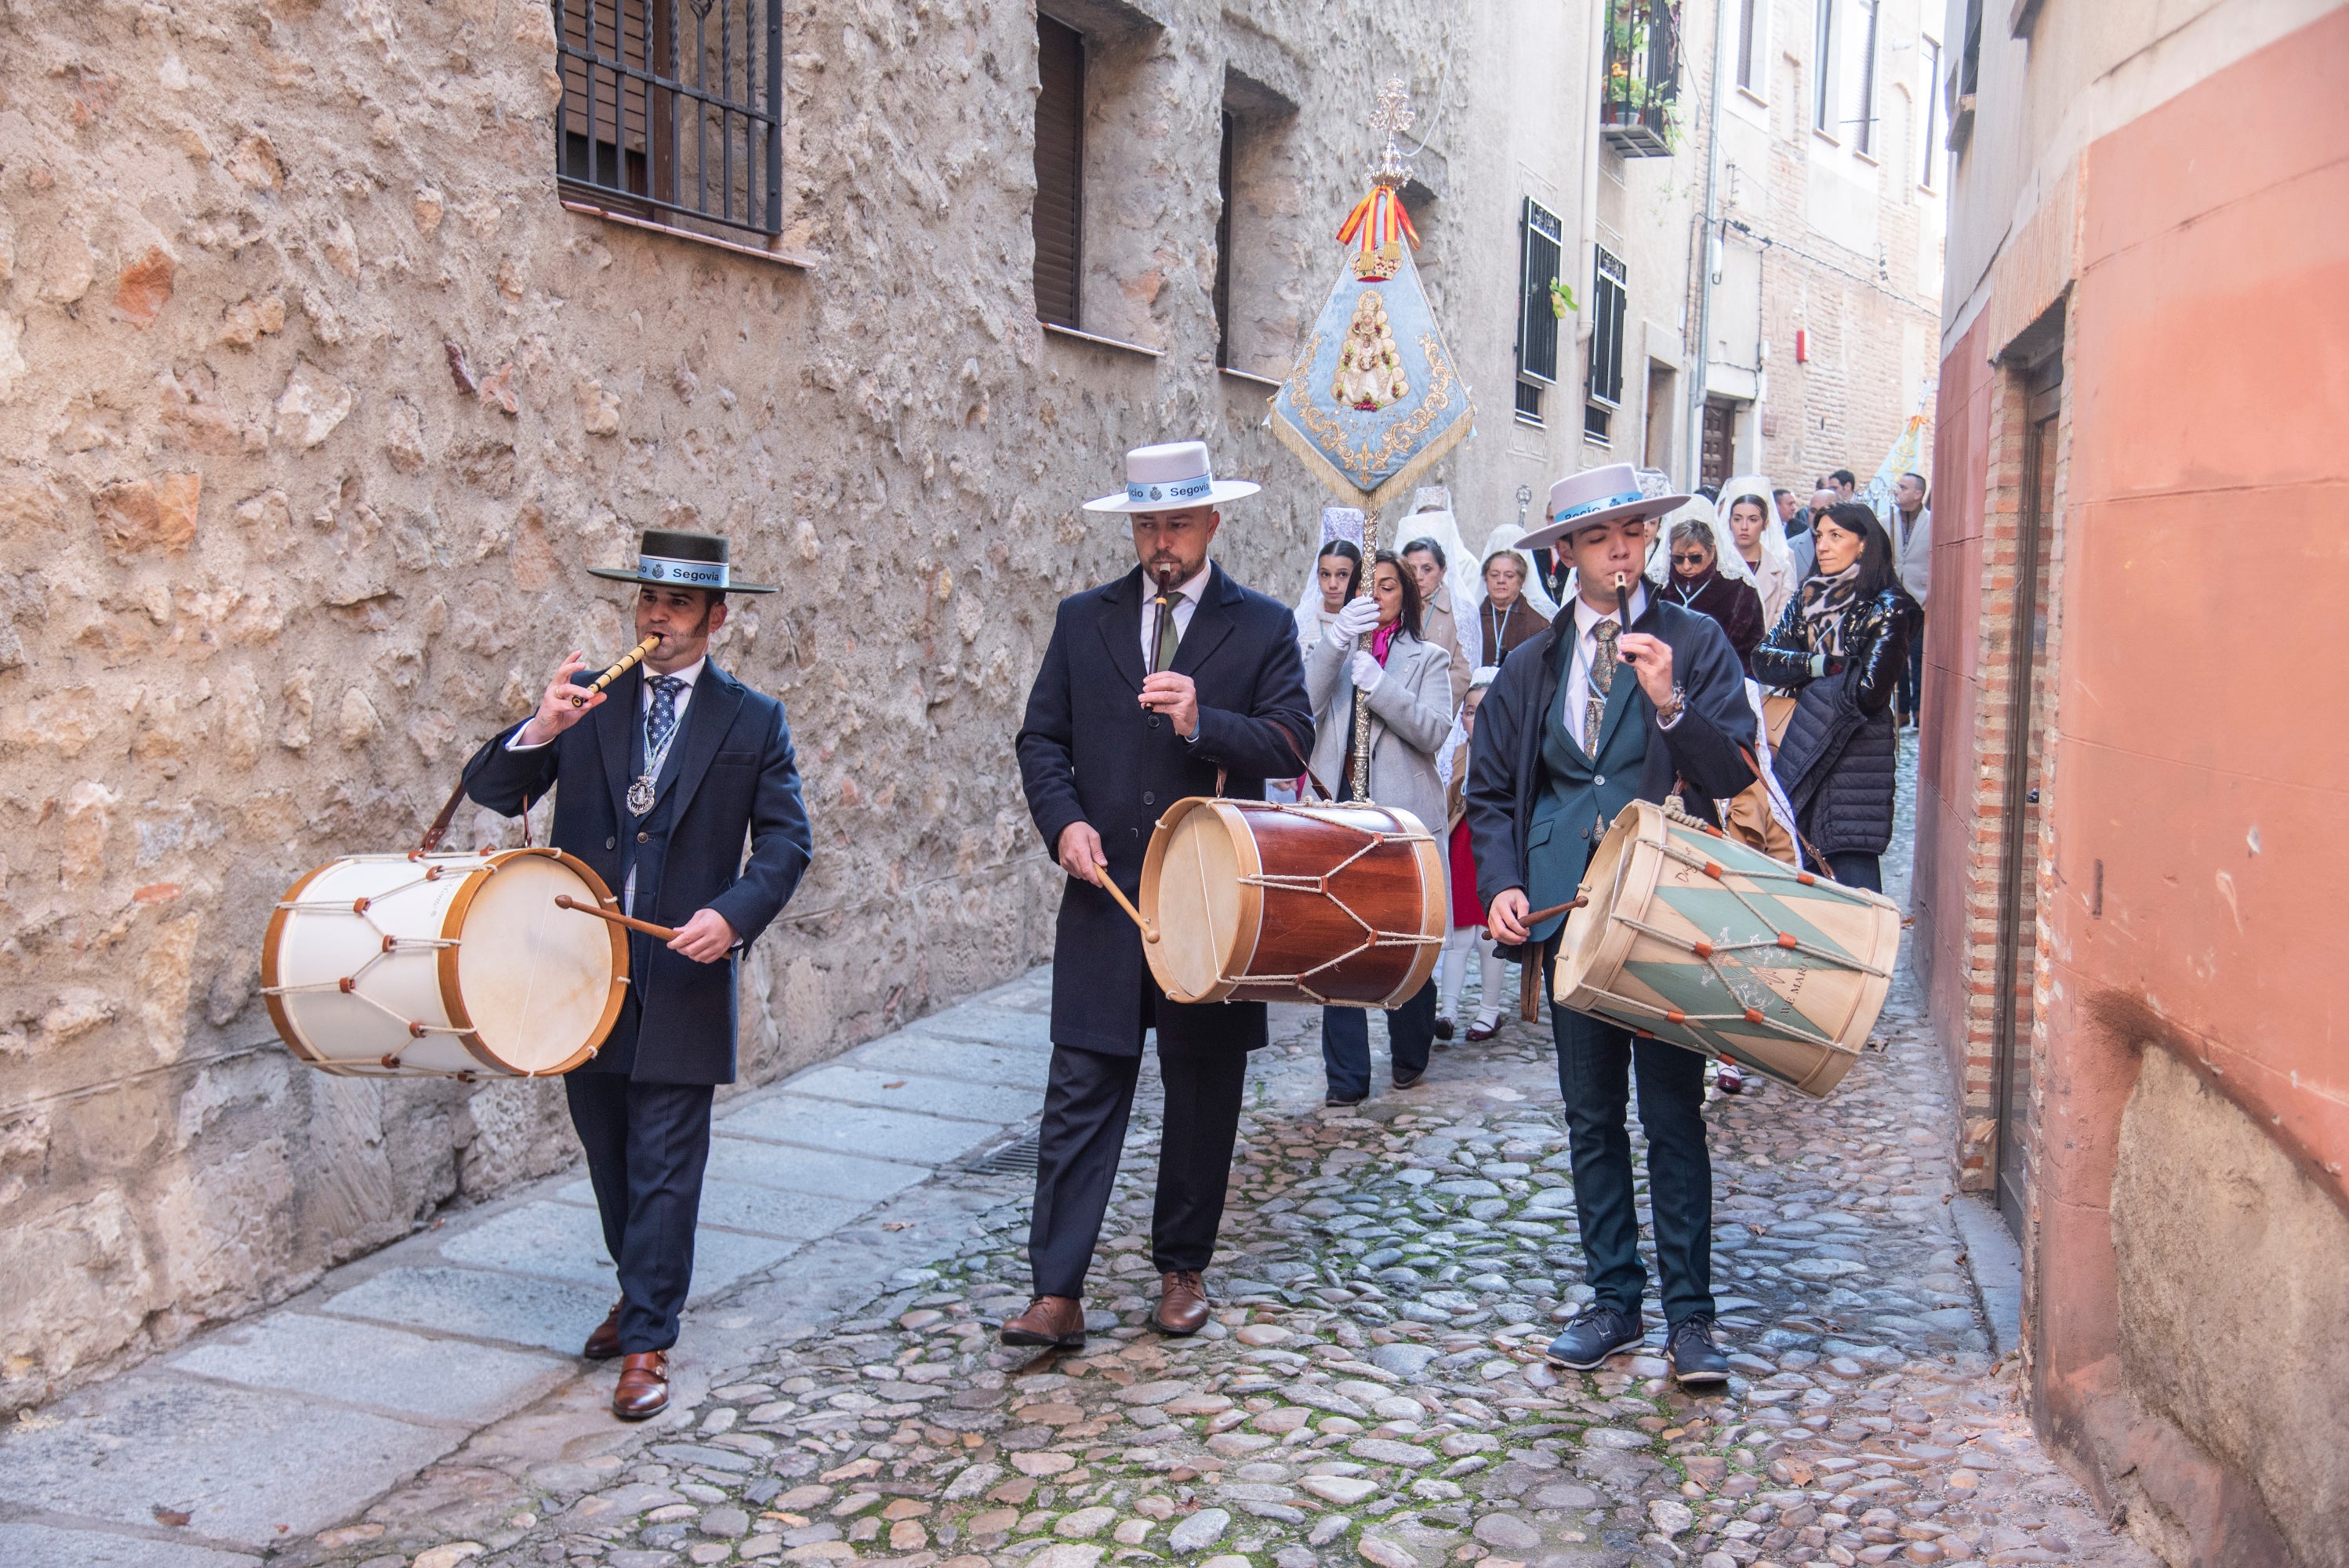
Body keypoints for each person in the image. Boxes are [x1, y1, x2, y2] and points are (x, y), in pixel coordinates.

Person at [461, 528, 812, 1421]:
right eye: (648, 601)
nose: (658, 618)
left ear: (717, 617)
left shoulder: (752, 717)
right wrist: (540, 726)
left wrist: (730, 915)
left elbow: (785, 843)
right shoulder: (589, 701)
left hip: (684, 968)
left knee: (665, 1159)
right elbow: (494, 790)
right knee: (608, 1149)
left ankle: (650, 1334)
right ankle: (637, 1288)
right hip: (581, 969)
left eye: (679, 604)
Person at [1010, 440, 1313, 1348]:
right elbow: (1040, 739)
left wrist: (1201, 721)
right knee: (1079, 1087)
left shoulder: (1260, 626)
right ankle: (1055, 1289)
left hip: (1212, 904)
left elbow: (1291, 742)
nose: (1160, 540)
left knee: (1201, 1086)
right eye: (1146, 523)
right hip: (1105, 898)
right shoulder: (1081, 619)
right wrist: (1062, 822)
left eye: (1176, 521)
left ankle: (1183, 1267)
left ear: (1212, 522)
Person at [1465, 461, 1755, 1389]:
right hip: (1569, 916)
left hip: (1663, 911)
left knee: (1671, 1111)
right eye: (1599, 536)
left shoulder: (1695, 639)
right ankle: (1611, 1300)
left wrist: (1671, 699)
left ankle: (1693, 1319)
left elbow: (1734, 774)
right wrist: (1503, 884)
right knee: (1590, 1114)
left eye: (1632, 531)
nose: (1620, 549)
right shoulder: (1531, 663)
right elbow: (1488, 791)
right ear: (1567, 554)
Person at [1305, 550, 1454, 1105]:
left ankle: (1411, 1052)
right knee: (1337, 945)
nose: (1376, 596)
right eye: (1367, 587)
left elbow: (1434, 731)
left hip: (1402, 822)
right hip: (1338, 812)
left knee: (1401, 942)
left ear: (1405, 596)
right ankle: (1346, 1078)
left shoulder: (1429, 658)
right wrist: (1338, 644)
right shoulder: (1336, 651)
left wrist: (1383, 687)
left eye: (1388, 587)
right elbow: (1304, 703)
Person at [1751, 501, 1919, 892]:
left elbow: (1869, 693)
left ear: (1863, 545)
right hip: (1802, 737)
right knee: (1802, 865)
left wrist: (1804, 670)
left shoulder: (1890, 608)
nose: (1822, 546)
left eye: (1836, 536)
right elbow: (1763, 661)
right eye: (1819, 536)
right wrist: (1821, 665)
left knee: (1850, 867)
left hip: (1857, 759)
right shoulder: (1807, 598)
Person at [1435, 669, 1509, 1044]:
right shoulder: (1457, 755)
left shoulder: (1509, 754)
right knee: (1459, 935)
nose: (1475, 719)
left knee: (1488, 935)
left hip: (1493, 851)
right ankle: (1447, 1010)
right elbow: (1446, 805)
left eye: (1484, 710)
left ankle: (1488, 1011)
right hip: (1461, 849)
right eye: (1469, 711)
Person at [1659, 505, 1767, 673]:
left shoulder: (1740, 590)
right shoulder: (1661, 587)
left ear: (1712, 550)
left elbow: (1749, 653)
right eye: (1678, 558)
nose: (1686, 566)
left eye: (1695, 558)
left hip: (1720, 682)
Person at [1402, 536, 1475, 714]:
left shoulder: (1459, 612)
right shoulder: (1393, 603)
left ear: (1443, 571)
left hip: (1437, 712)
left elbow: (1463, 673)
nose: (1418, 577)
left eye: (1427, 569)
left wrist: (1424, 705)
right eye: (1412, 569)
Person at [1719, 475, 1797, 628]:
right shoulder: (1719, 564)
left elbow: (1784, 621)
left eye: (1753, 519)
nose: (1744, 527)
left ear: (1765, 524)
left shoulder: (1781, 569)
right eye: (1737, 519)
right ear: (1729, 522)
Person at [1474, 532, 1555, 666]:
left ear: (1521, 580)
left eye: (1509, 576)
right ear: (1485, 578)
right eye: (1494, 575)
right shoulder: (1473, 617)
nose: (1501, 581)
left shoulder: (1539, 623)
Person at [1890, 473, 1932, 728]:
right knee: (1896, 658)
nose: (1897, 491)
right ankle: (1902, 710)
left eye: (1903, 487)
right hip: (1894, 601)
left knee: (1918, 657)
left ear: (1918, 494)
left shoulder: (1932, 523)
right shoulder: (1887, 521)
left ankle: (1919, 711)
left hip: (1921, 600)